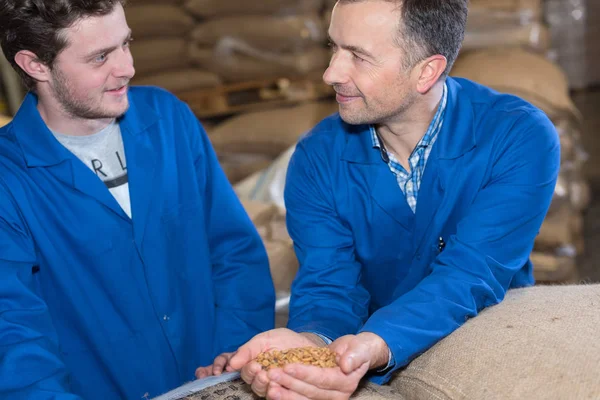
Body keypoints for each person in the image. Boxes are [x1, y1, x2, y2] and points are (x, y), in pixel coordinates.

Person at [210, 0, 560, 398]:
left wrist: (375, 343)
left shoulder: (517, 137)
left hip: (489, 339)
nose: (331, 73)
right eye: (334, 48)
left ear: (427, 71)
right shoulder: (316, 159)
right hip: (370, 352)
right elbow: (330, 286)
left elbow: (472, 273)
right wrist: (314, 343)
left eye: (359, 56)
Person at [0, 1, 275, 399]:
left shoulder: (168, 119)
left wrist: (233, 356)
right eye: (100, 57)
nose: (127, 67)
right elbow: (12, 327)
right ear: (36, 65)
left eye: (126, 43)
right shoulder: (9, 178)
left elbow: (234, 251)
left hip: (215, 383)